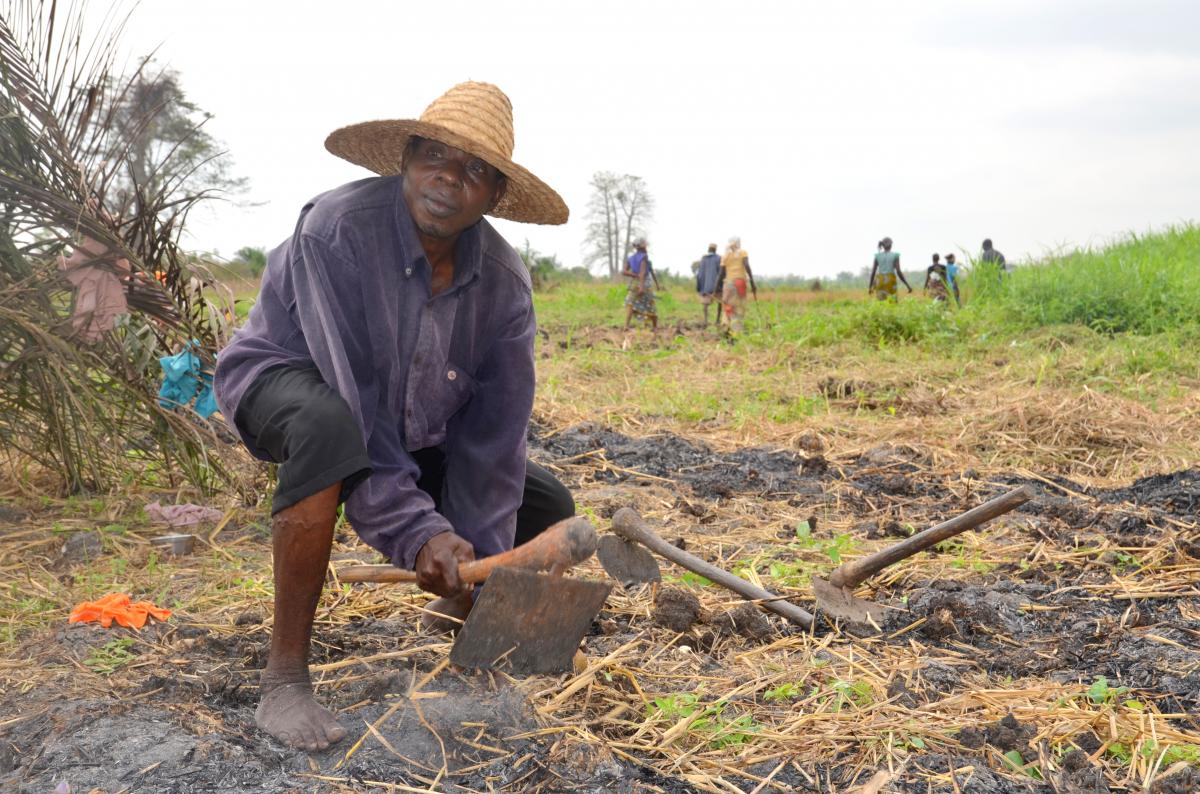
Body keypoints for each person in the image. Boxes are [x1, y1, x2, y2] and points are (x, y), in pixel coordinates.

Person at [212, 82, 573, 752]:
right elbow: (353, 401)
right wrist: (421, 535)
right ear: (404, 158)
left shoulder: (505, 285)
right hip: (287, 384)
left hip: (403, 427)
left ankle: (456, 612)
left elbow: (492, 443)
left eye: (474, 171)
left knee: (545, 503)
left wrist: (474, 572)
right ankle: (285, 676)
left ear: (494, 196)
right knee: (327, 430)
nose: (448, 179)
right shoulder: (337, 230)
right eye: (434, 154)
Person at [718, 236, 756, 333]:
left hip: (728, 284)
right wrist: (752, 282)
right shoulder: (742, 252)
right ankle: (736, 331)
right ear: (739, 243)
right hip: (739, 283)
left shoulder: (725, 256)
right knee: (739, 308)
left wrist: (715, 289)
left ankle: (726, 327)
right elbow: (747, 266)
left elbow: (721, 274)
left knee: (727, 306)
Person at [622, 236, 658, 329]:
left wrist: (634, 275)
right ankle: (655, 327)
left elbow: (624, 271)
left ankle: (626, 325)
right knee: (650, 304)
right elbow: (642, 273)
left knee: (631, 304)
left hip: (634, 283)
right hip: (644, 283)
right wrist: (641, 286)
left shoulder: (631, 258)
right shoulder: (644, 257)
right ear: (643, 247)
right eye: (645, 246)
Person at [695, 243, 722, 326]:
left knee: (705, 304)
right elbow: (721, 272)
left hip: (705, 286)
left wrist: (699, 286)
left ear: (708, 249)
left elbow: (700, 274)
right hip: (716, 286)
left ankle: (706, 320)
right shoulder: (719, 258)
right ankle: (717, 320)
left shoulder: (703, 259)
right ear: (715, 250)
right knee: (720, 302)